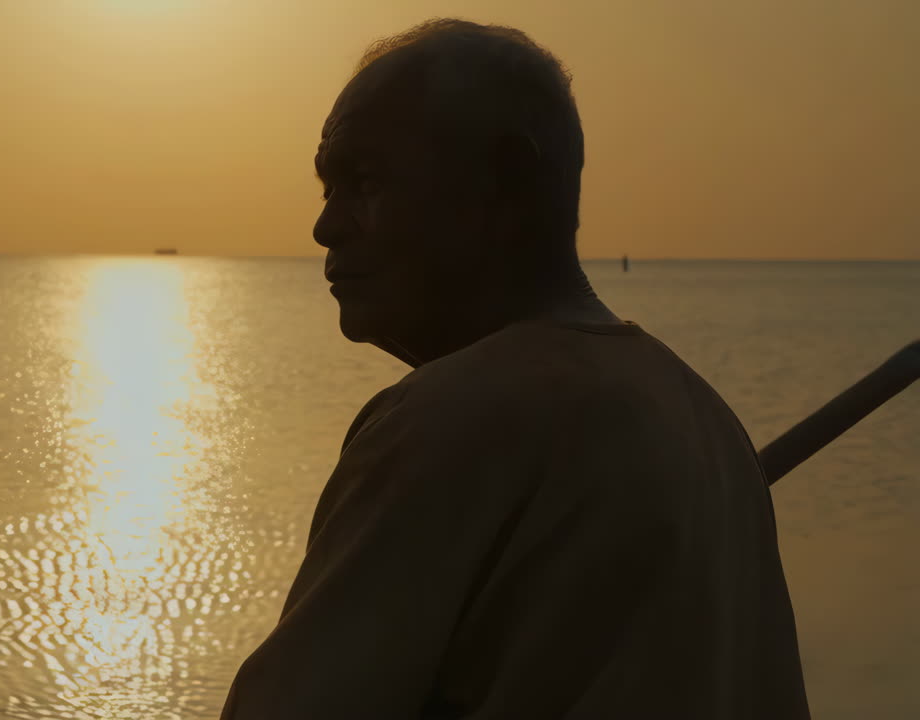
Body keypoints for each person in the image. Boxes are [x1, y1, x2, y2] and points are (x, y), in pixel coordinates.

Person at [219, 19, 810, 720]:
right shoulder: (709, 427)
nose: (327, 225)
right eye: (328, 187)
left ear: (508, 184)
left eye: (365, 181)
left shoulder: (446, 419)